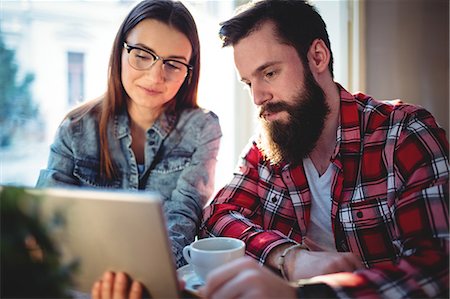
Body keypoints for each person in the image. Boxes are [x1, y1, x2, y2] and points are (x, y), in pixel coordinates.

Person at [198, 0, 449, 298]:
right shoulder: (268, 145)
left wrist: (306, 295)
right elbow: (217, 216)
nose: (257, 97)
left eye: (269, 73)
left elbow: (438, 268)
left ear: (317, 57)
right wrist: (289, 256)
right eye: (248, 82)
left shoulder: (406, 133)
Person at [36, 0, 222, 273]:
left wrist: (146, 276)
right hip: (83, 275)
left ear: (188, 72)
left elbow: (182, 217)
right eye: (142, 54)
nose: (156, 76)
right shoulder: (75, 128)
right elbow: (47, 220)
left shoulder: (202, 129)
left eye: (174, 64)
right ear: (120, 51)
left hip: (156, 276)